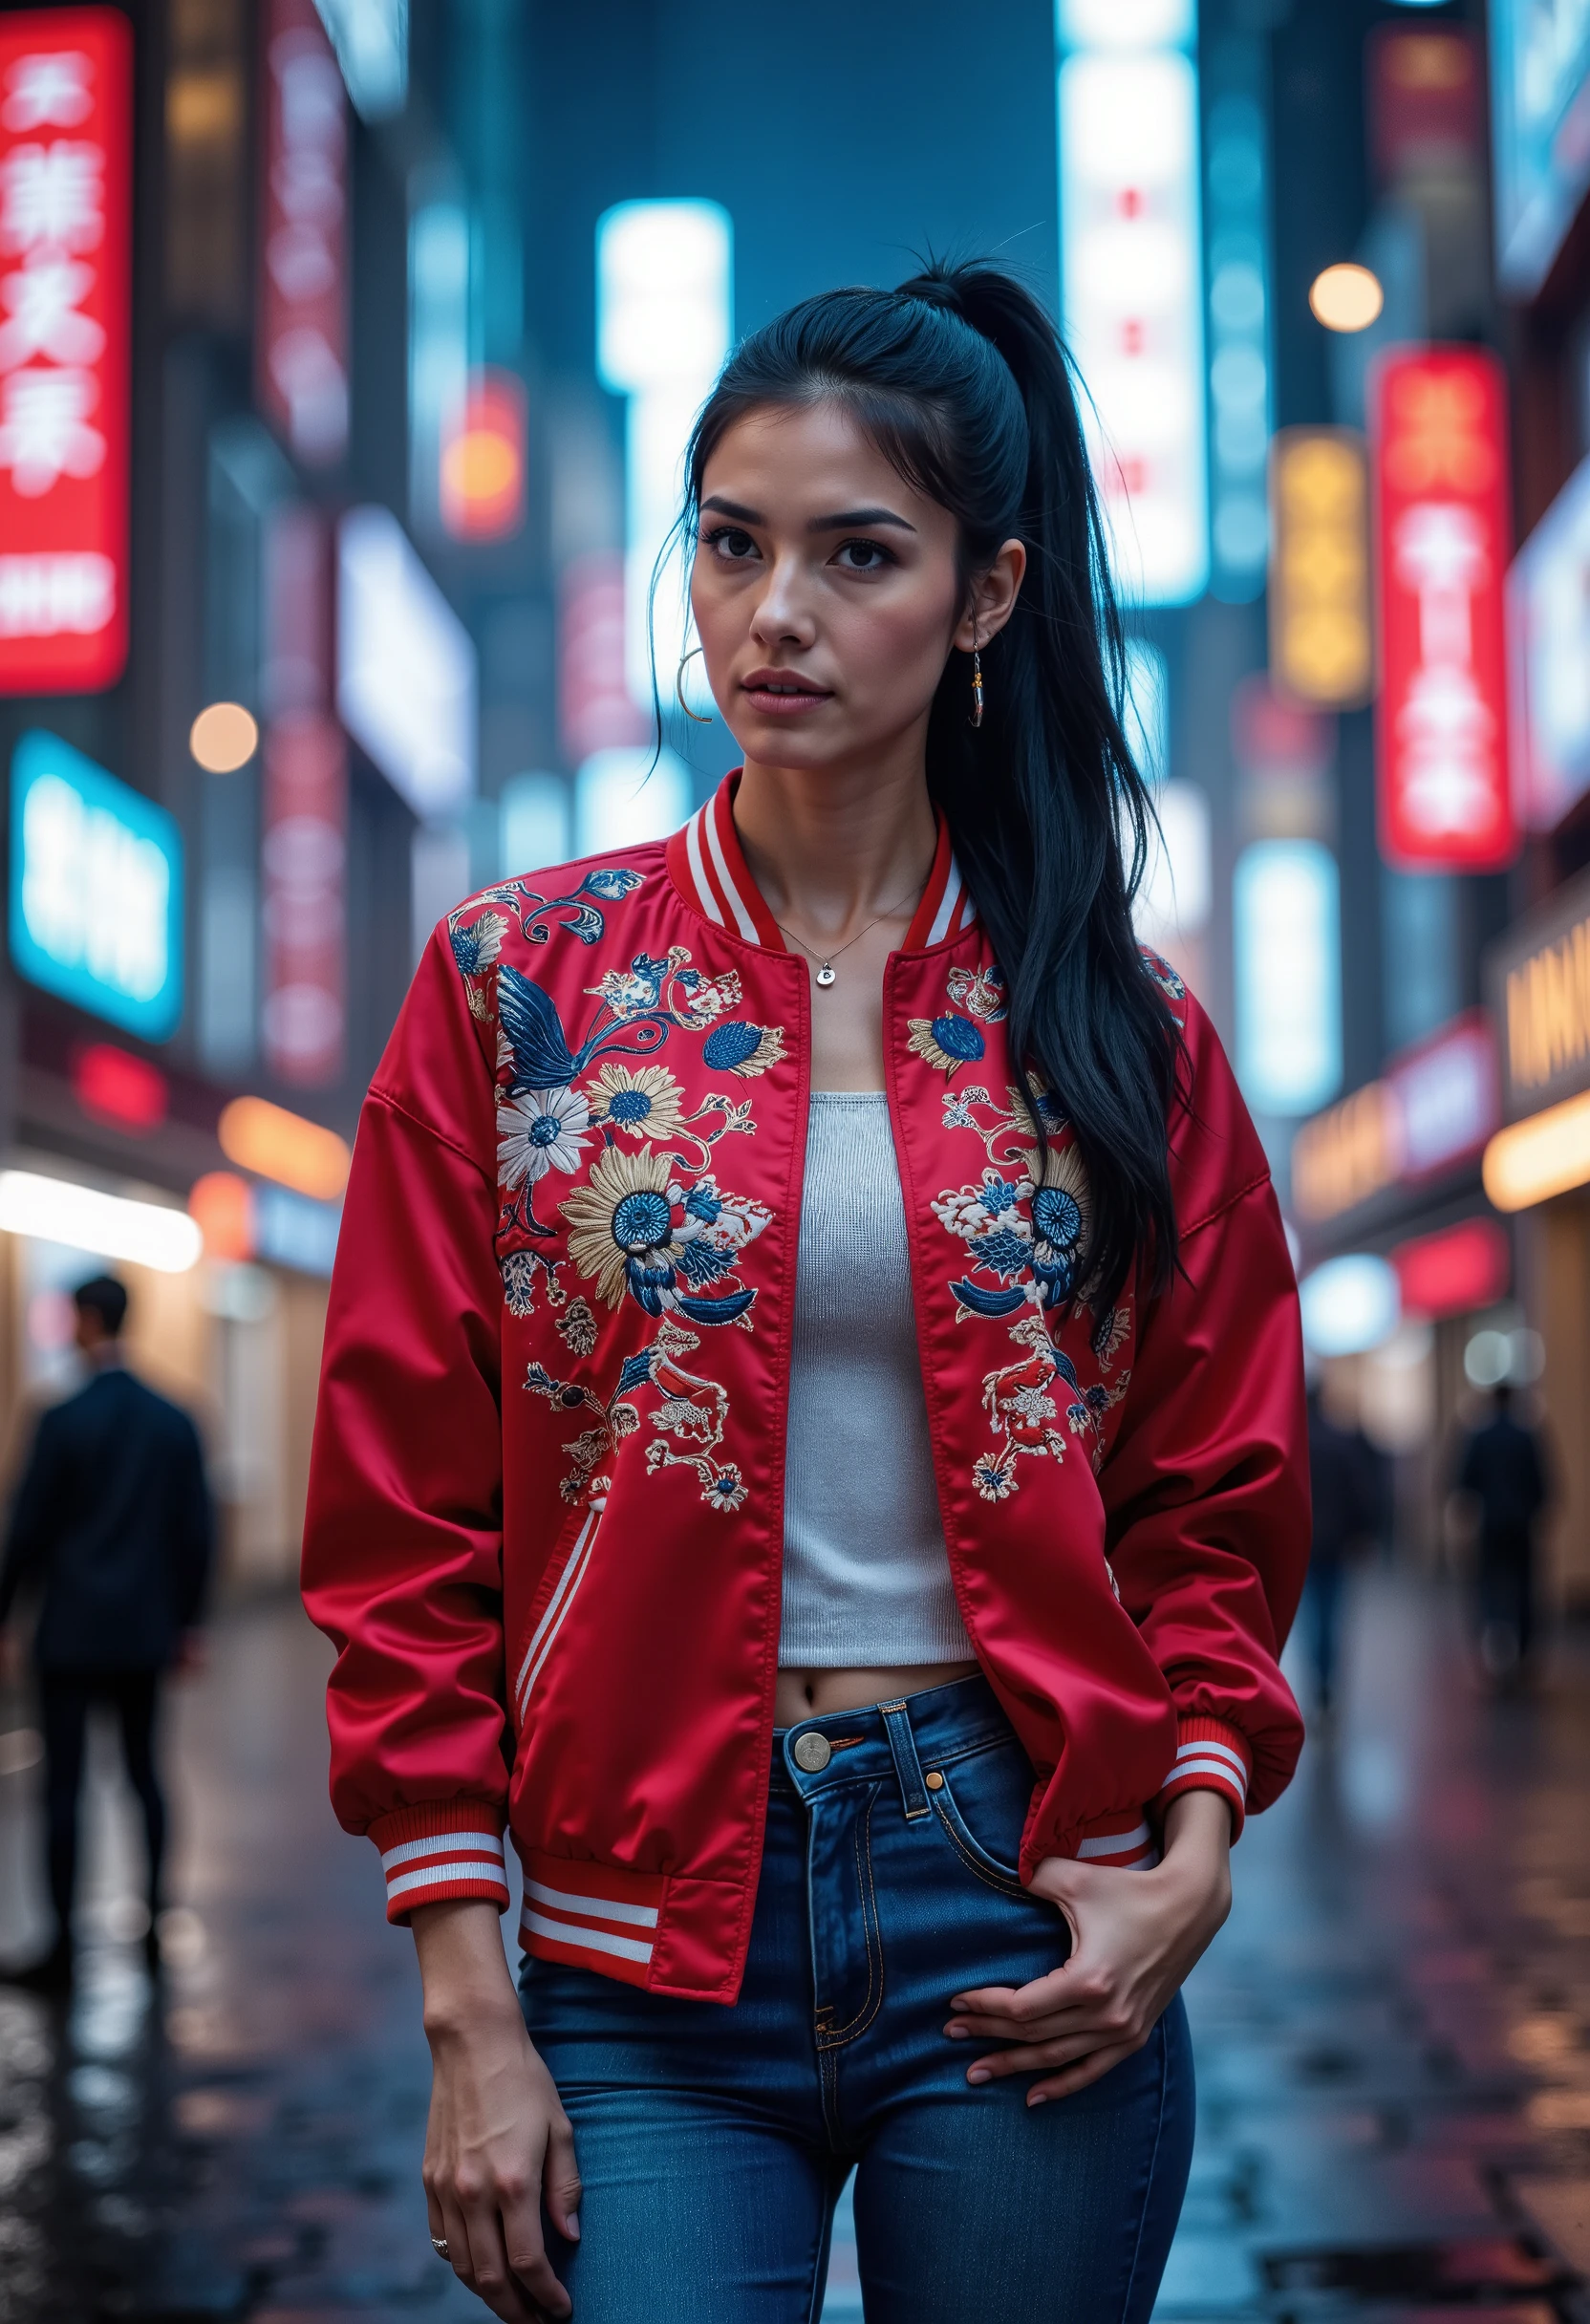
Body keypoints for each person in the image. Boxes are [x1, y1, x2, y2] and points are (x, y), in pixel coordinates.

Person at [304, 262, 1308, 2324]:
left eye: (859, 554)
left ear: (986, 593)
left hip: (1019, 1904)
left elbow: (1214, 1488)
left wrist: (1189, 1856)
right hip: (630, 1931)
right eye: (735, 544)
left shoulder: (1123, 1033)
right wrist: (462, 2004)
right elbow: (402, 1515)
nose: (776, 612)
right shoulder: (519, 992)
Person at [0, 1274, 213, 1992]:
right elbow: (196, 1533)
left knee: (62, 1791)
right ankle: (154, 1929)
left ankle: (59, 1948)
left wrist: (5, 1619)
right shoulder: (174, 1418)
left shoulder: (59, 1419)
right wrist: (188, 1622)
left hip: (68, 1636)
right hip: (146, 1632)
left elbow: (25, 1532)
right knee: (145, 1777)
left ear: (87, 1320)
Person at [1455, 1379, 1550, 1684]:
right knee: (1524, 1586)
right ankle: (1523, 1650)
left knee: (1489, 1584)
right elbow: (1542, 1481)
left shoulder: (1480, 1436)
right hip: (1521, 1523)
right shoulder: (1527, 1436)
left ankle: (1494, 1641)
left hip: (1491, 1523)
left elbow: (1465, 1480)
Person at [1300, 1381, 1379, 1715]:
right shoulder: (1341, 1442)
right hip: (1337, 1542)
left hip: (1304, 1542)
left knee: (1310, 1614)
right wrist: (1363, 1533)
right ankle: (1329, 1679)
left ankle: (1317, 1679)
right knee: (1333, 1612)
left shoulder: (1296, 1444)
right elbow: (1361, 1491)